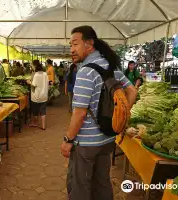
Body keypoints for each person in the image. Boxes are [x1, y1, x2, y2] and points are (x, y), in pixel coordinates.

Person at [60, 25, 137, 200]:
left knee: (80, 187)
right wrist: (120, 117)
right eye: (70, 45)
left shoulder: (85, 72)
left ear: (89, 44)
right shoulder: (111, 67)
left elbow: (79, 114)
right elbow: (132, 91)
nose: (71, 49)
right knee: (102, 183)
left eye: (75, 44)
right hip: (108, 139)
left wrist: (68, 140)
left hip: (86, 144)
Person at [27, 60, 49, 130]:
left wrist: (29, 82)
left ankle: (35, 123)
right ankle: (43, 125)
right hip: (44, 95)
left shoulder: (36, 75)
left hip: (36, 95)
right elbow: (48, 83)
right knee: (43, 111)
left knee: (35, 110)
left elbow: (34, 85)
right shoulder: (45, 74)